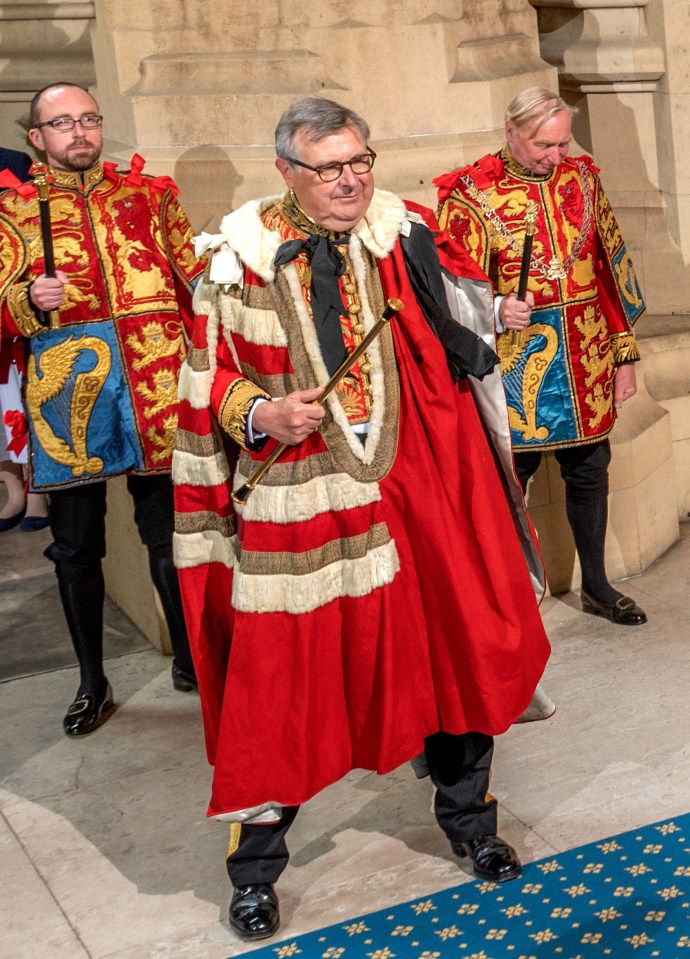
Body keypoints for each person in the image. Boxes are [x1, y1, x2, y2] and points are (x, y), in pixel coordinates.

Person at [173, 95, 551, 942]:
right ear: (286, 172)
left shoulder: (403, 228)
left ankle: (470, 821)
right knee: (287, 681)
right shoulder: (238, 257)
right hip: (307, 492)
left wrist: (491, 314)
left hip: (423, 478)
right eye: (329, 168)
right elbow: (202, 379)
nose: (350, 181)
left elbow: (459, 307)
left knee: (452, 644)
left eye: (360, 161)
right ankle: (257, 868)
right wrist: (260, 413)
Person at [0, 82, 205, 735]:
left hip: (154, 382)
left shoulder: (150, 196)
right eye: (62, 123)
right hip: (71, 397)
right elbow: (2, 306)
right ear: (37, 138)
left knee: (168, 532)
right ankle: (94, 680)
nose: (78, 132)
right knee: (75, 545)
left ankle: (191, 661)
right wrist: (30, 297)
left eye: (87, 119)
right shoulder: (13, 214)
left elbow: (193, 279)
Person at [435, 87, 647, 627]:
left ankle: (597, 585)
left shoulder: (583, 179)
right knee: (513, 476)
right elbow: (450, 290)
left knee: (590, 469)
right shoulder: (468, 195)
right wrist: (498, 306)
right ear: (511, 133)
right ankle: (511, 601)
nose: (554, 156)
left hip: (585, 351)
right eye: (541, 145)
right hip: (512, 358)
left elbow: (608, 267)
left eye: (561, 142)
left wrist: (624, 354)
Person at [0, 147, 49, 532]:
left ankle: (36, 494)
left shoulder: (13, 160)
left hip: (12, 287)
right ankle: (13, 490)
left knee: (20, 400)